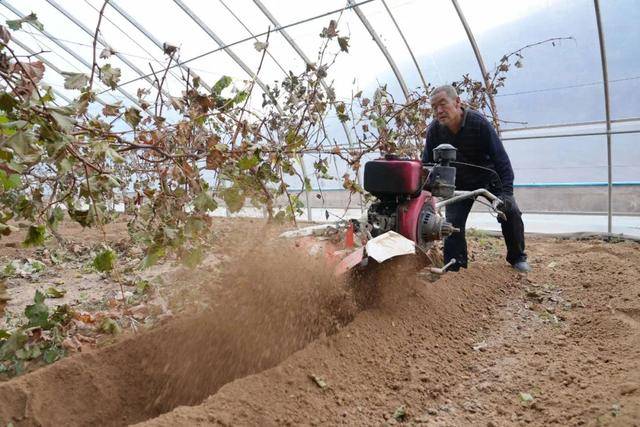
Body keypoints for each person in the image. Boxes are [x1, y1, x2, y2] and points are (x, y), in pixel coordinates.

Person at [422, 85, 531, 273]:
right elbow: (427, 165)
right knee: (452, 224)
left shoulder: (478, 123)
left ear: (457, 102)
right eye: (434, 107)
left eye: (442, 104)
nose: (438, 111)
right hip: (458, 183)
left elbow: (501, 160)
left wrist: (505, 194)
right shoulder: (434, 131)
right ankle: (456, 267)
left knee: (510, 212)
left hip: (489, 178)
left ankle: (517, 258)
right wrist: (426, 194)